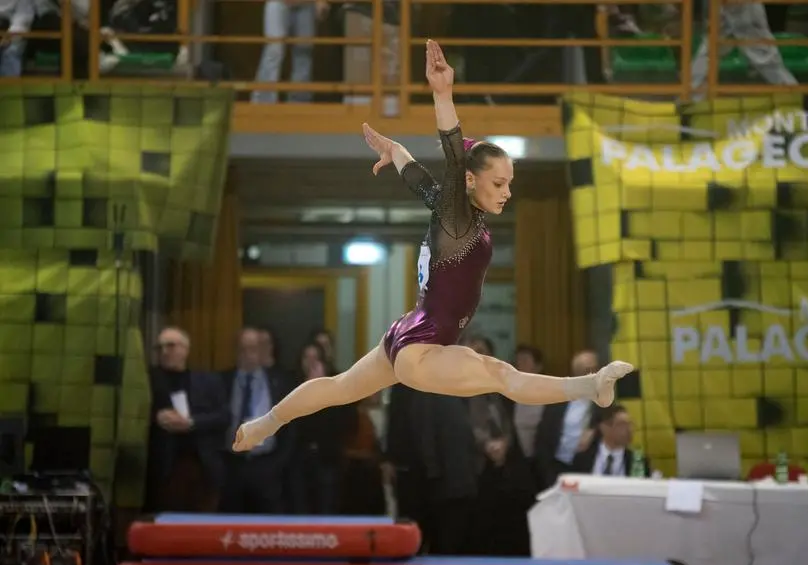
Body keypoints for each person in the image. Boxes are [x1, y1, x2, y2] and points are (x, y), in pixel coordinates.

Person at [232, 39, 633, 453]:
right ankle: (592, 385)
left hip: (408, 333)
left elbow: (419, 182)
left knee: (340, 387)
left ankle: (265, 423)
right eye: (500, 183)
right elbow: (452, 152)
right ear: (472, 181)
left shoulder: (451, 212)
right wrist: (443, 94)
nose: (507, 192)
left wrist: (396, 151)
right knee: (499, 375)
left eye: (511, 183)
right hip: (422, 349)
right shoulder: (458, 213)